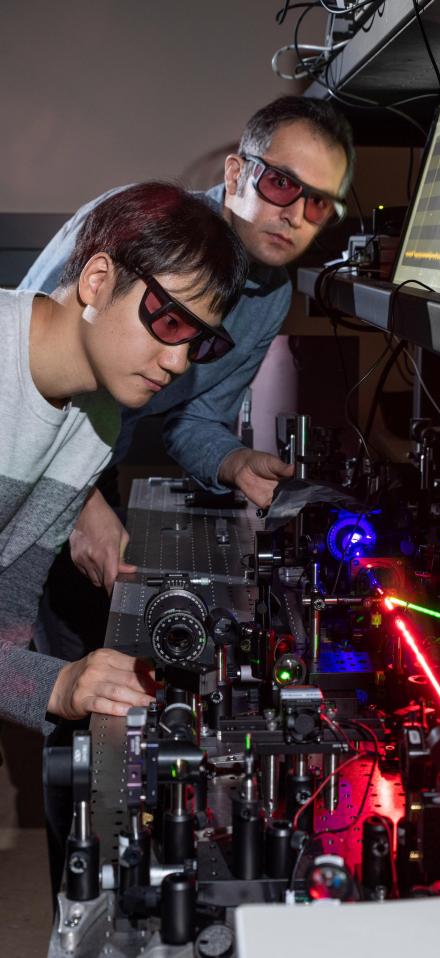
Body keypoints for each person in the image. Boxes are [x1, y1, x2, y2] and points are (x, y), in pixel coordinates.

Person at [20, 95, 355, 596]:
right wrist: (78, 503)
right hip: (28, 462)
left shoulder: (273, 296)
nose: (296, 216)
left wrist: (236, 462)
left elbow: (192, 419)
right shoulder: (144, 223)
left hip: (94, 473)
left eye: (319, 203)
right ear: (238, 172)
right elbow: (25, 366)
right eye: (282, 183)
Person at [0, 181, 248, 734]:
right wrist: (57, 685)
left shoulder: (99, 423)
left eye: (199, 342)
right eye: (170, 322)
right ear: (97, 280)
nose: (180, 363)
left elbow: (6, 622)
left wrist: (57, 685)